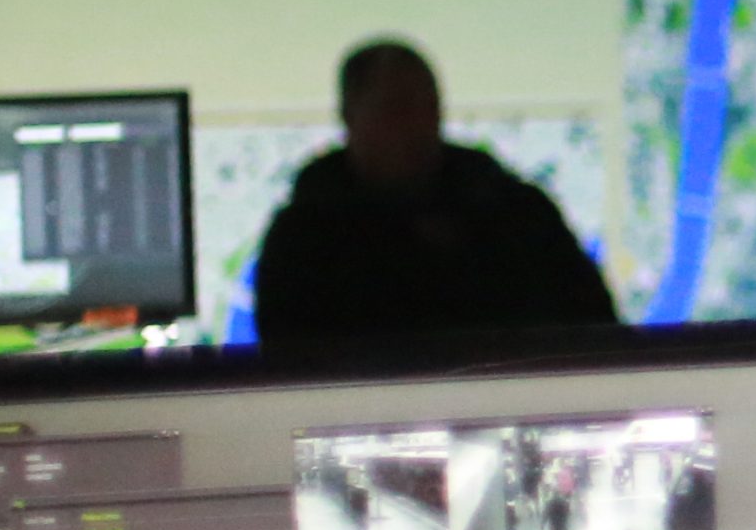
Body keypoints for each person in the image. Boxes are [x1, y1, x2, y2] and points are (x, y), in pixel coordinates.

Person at [250, 40, 619, 344]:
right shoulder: (305, 242)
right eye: (397, 108)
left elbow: (598, 333)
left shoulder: (519, 217)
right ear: (349, 116)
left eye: (429, 105)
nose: (419, 123)